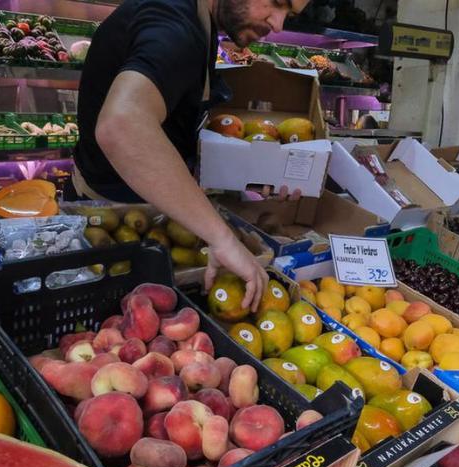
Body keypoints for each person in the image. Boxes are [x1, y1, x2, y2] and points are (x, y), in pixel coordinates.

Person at [74, 0, 308, 312]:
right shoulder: (175, 27)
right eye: (278, 2)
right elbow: (122, 126)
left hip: (148, 224)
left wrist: (245, 172)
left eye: (289, 15)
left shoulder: (199, 21)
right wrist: (222, 238)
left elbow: (169, 127)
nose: (279, 24)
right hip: (109, 231)